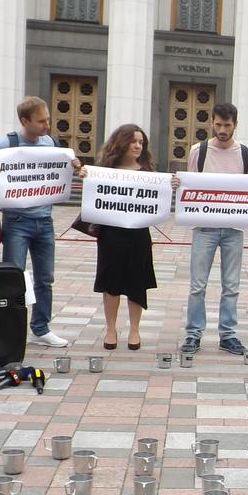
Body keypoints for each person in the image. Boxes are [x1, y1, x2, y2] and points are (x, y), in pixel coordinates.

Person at [0, 96, 82, 348]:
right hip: (17, 221)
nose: (47, 125)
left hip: (44, 220)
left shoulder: (51, 143)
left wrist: (73, 166)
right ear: (24, 121)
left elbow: (57, 173)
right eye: (41, 121)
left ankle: (40, 328)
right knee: (13, 278)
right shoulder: (5, 145)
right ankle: (10, 327)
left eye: (48, 119)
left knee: (45, 279)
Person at [180, 103, 248, 355]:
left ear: (235, 124)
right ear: (212, 122)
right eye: (219, 124)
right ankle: (193, 334)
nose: (223, 130)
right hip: (204, 227)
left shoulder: (246, 154)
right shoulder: (198, 151)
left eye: (227, 125)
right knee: (197, 285)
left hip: (234, 228)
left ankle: (228, 334)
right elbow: (190, 185)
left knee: (231, 286)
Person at [93, 124, 158, 350]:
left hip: (138, 235)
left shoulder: (148, 172)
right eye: (133, 141)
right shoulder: (105, 170)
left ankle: (134, 330)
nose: (138, 146)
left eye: (141, 142)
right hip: (111, 234)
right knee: (111, 282)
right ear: (122, 142)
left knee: (137, 282)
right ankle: (111, 329)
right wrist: (85, 176)